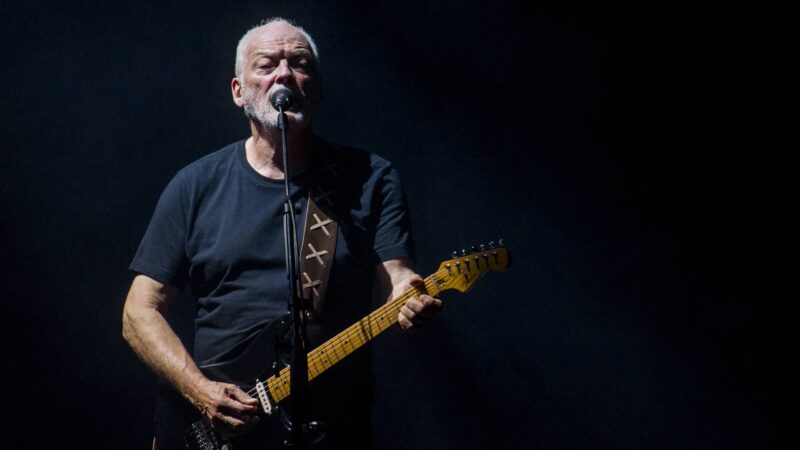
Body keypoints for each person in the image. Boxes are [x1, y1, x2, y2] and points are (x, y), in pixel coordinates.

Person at [122, 17, 441, 450]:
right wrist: (199, 390)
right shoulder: (194, 185)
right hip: (216, 423)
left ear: (317, 87)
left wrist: (407, 297)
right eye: (266, 64)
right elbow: (139, 311)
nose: (284, 74)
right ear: (238, 91)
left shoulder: (370, 177)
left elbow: (397, 278)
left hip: (332, 422)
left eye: (299, 63)